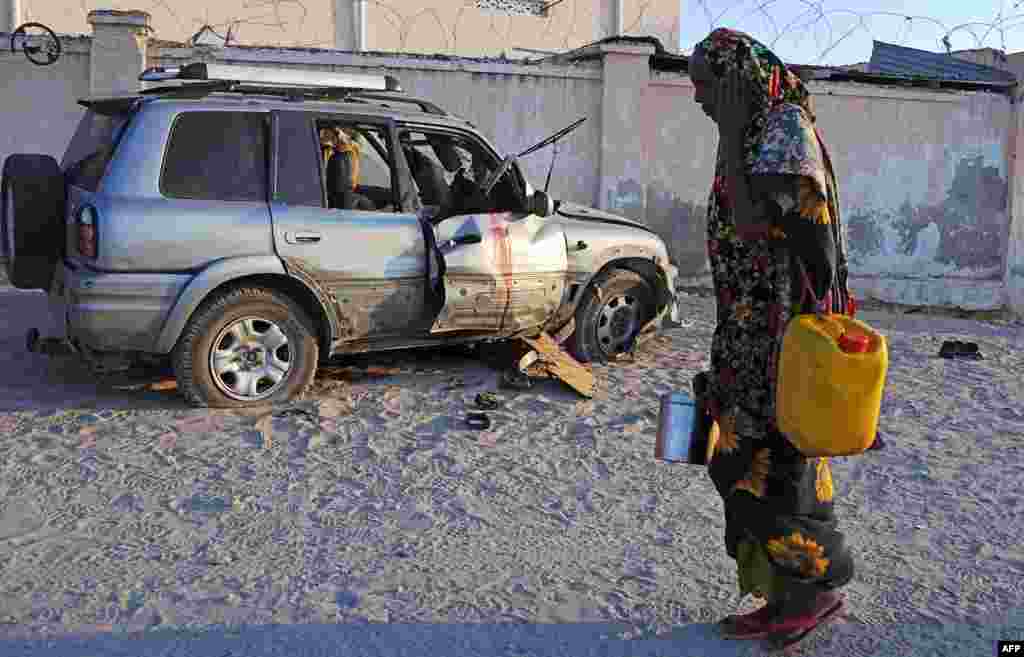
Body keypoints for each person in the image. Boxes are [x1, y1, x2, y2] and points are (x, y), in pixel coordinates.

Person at [687, 28, 856, 640]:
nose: (699, 97)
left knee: (775, 466)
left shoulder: (780, 127)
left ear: (740, 81)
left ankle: (813, 594)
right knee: (739, 461)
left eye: (706, 84)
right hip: (747, 333)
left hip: (781, 342)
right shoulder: (756, 129)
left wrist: (732, 135)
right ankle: (783, 597)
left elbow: (763, 228)